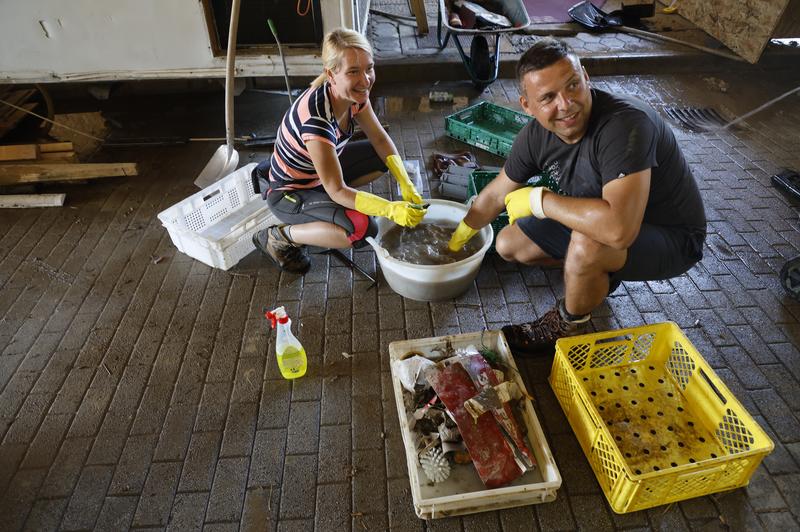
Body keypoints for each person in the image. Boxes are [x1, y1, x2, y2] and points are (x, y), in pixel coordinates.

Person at [448, 38, 706, 355]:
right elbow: (495, 195)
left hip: (672, 238)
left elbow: (619, 231)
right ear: (526, 106)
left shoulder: (624, 125)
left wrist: (538, 201)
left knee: (590, 244)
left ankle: (567, 324)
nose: (566, 104)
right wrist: (456, 240)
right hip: (606, 221)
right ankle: (599, 274)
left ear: (586, 77)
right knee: (508, 243)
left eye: (572, 86)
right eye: (548, 98)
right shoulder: (534, 137)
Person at [252, 28, 426, 274]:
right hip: (290, 193)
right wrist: (389, 208)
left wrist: (405, 181)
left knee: (382, 157)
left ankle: (327, 213)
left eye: (369, 68)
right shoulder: (317, 120)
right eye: (353, 72)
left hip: (321, 177)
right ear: (331, 74)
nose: (366, 80)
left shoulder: (355, 95)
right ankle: (279, 236)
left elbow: (379, 137)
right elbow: (337, 190)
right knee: (363, 228)